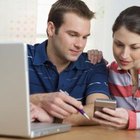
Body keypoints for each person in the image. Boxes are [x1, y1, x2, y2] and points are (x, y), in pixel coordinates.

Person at [28, 0, 110, 126]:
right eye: (72, 34)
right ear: (51, 29)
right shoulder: (22, 56)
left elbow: (102, 110)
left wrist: (52, 118)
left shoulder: (94, 63)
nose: (80, 45)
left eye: (84, 37)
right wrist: (38, 100)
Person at [88, 6, 140, 130]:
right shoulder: (110, 72)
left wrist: (131, 120)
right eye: (119, 44)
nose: (124, 55)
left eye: (135, 47)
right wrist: (95, 60)